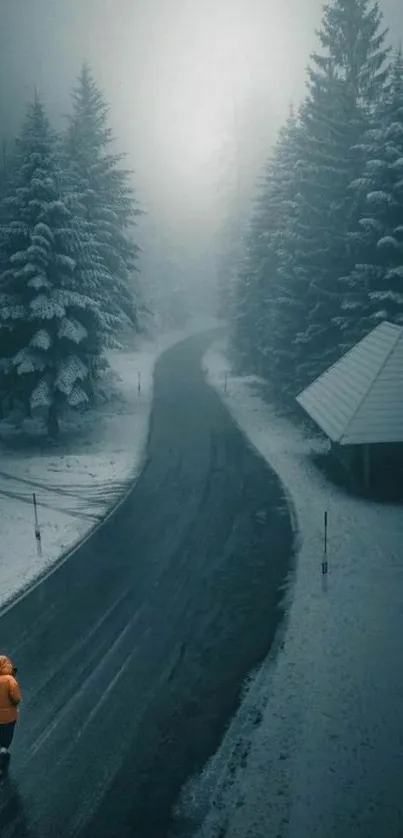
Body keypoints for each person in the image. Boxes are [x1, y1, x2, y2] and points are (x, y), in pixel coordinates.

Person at [0, 655, 21, 774]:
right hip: (8, 717)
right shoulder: (10, 680)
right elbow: (16, 698)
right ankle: (3, 756)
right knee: (6, 739)